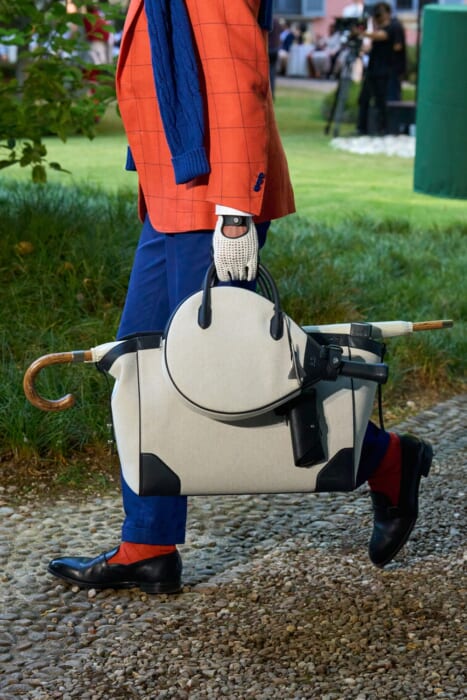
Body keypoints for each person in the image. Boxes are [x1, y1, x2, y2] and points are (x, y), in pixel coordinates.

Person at [47, 0, 433, 594]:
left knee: (228, 377)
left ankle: (384, 459)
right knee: (141, 369)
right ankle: (148, 544)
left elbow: (236, 80)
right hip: (174, 194)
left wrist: (234, 213)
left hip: (210, 200)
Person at [356, 2, 399, 135]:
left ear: (387, 13)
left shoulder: (394, 26)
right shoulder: (378, 28)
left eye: (380, 13)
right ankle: (361, 128)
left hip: (383, 71)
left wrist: (362, 33)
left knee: (381, 100)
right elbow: (374, 43)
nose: (378, 16)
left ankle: (383, 128)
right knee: (364, 99)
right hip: (372, 70)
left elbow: (382, 36)